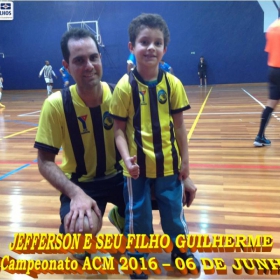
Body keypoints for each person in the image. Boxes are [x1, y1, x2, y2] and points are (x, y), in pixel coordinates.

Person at [110, 13, 200, 279]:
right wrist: (126, 159)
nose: (151, 47)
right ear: (131, 48)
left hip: (168, 165)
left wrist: (186, 162)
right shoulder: (124, 88)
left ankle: (180, 251)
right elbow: (117, 131)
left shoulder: (173, 84)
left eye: (157, 43)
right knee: (138, 215)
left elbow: (181, 127)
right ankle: (137, 256)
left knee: (173, 213)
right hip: (135, 169)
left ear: (164, 49)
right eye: (144, 41)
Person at [34, 28, 126, 259]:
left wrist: (181, 176)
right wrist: (75, 194)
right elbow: (45, 162)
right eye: (79, 60)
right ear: (66, 66)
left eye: (93, 57)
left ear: (100, 58)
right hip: (82, 183)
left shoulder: (120, 96)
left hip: (120, 178)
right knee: (80, 235)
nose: (89, 66)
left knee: (167, 193)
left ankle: (123, 215)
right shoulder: (56, 104)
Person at [254, 15, 280, 147]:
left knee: (271, 104)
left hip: (273, 70)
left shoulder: (272, 27)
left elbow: (270, 50)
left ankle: (259, 136)